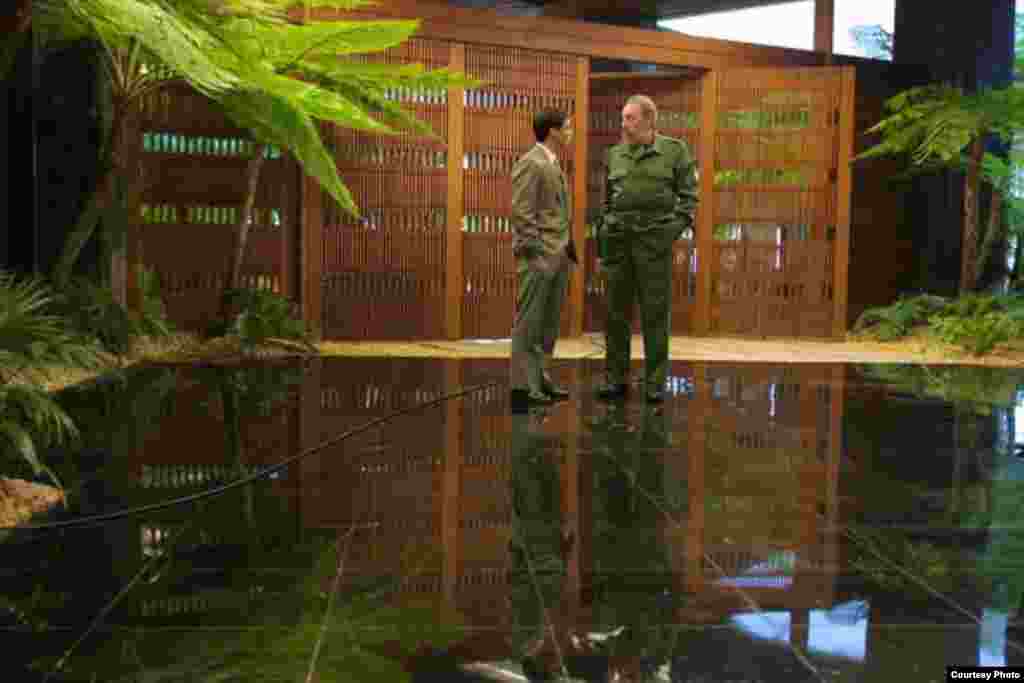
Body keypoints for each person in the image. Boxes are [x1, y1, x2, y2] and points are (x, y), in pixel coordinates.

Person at [594, 95, 697, 403]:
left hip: (653, 246)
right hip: (619, 245)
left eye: (630, 118)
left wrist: (666, 235)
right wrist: (605, 236)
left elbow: (689, 200)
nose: (624, 124)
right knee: (615, 315)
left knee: (654, 315)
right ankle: (616, 379)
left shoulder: (674, 152)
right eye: (623, 118)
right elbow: (607, 202)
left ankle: (654, 383)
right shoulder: (614, 155)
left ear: (650, 120)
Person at [509, 108, 578, 411]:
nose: (570, 132)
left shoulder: (553, 163)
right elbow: (522, 213)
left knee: (549, 324)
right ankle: (524, 386)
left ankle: (540, 377)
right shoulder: (531, 163)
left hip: (559, 254)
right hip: (539, 256)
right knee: (530, 322)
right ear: (553, 131)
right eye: (568, 127)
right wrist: (534, 253)